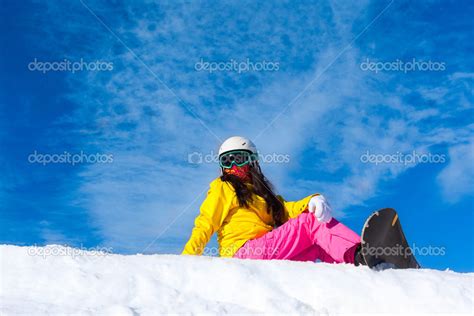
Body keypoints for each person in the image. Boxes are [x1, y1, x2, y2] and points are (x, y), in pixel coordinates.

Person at [182, 136, 365, 265]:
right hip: (241, 253)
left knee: (318, 246)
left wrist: (312, 200)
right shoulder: (223, 187)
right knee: (309, 222)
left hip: (264, 256)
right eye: (227, 161)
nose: (233, 166)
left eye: (238, 159)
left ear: (252, 161)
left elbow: (285, 210)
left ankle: (360, 266)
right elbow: (205, 223)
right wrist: (185, 261)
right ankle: (361, 252)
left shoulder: (263, 194)